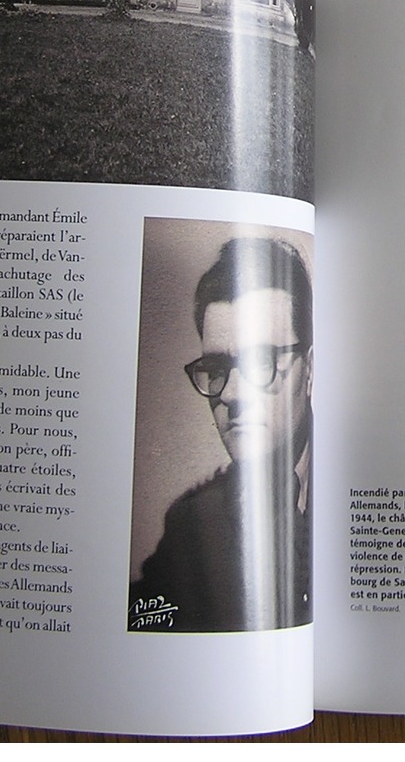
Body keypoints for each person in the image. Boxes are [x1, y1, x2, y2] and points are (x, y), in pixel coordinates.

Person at [128, 235, 313, 632]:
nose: (229, 393)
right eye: (215, 367)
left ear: (310, 369)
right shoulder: (193, 525)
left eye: (260, 360)